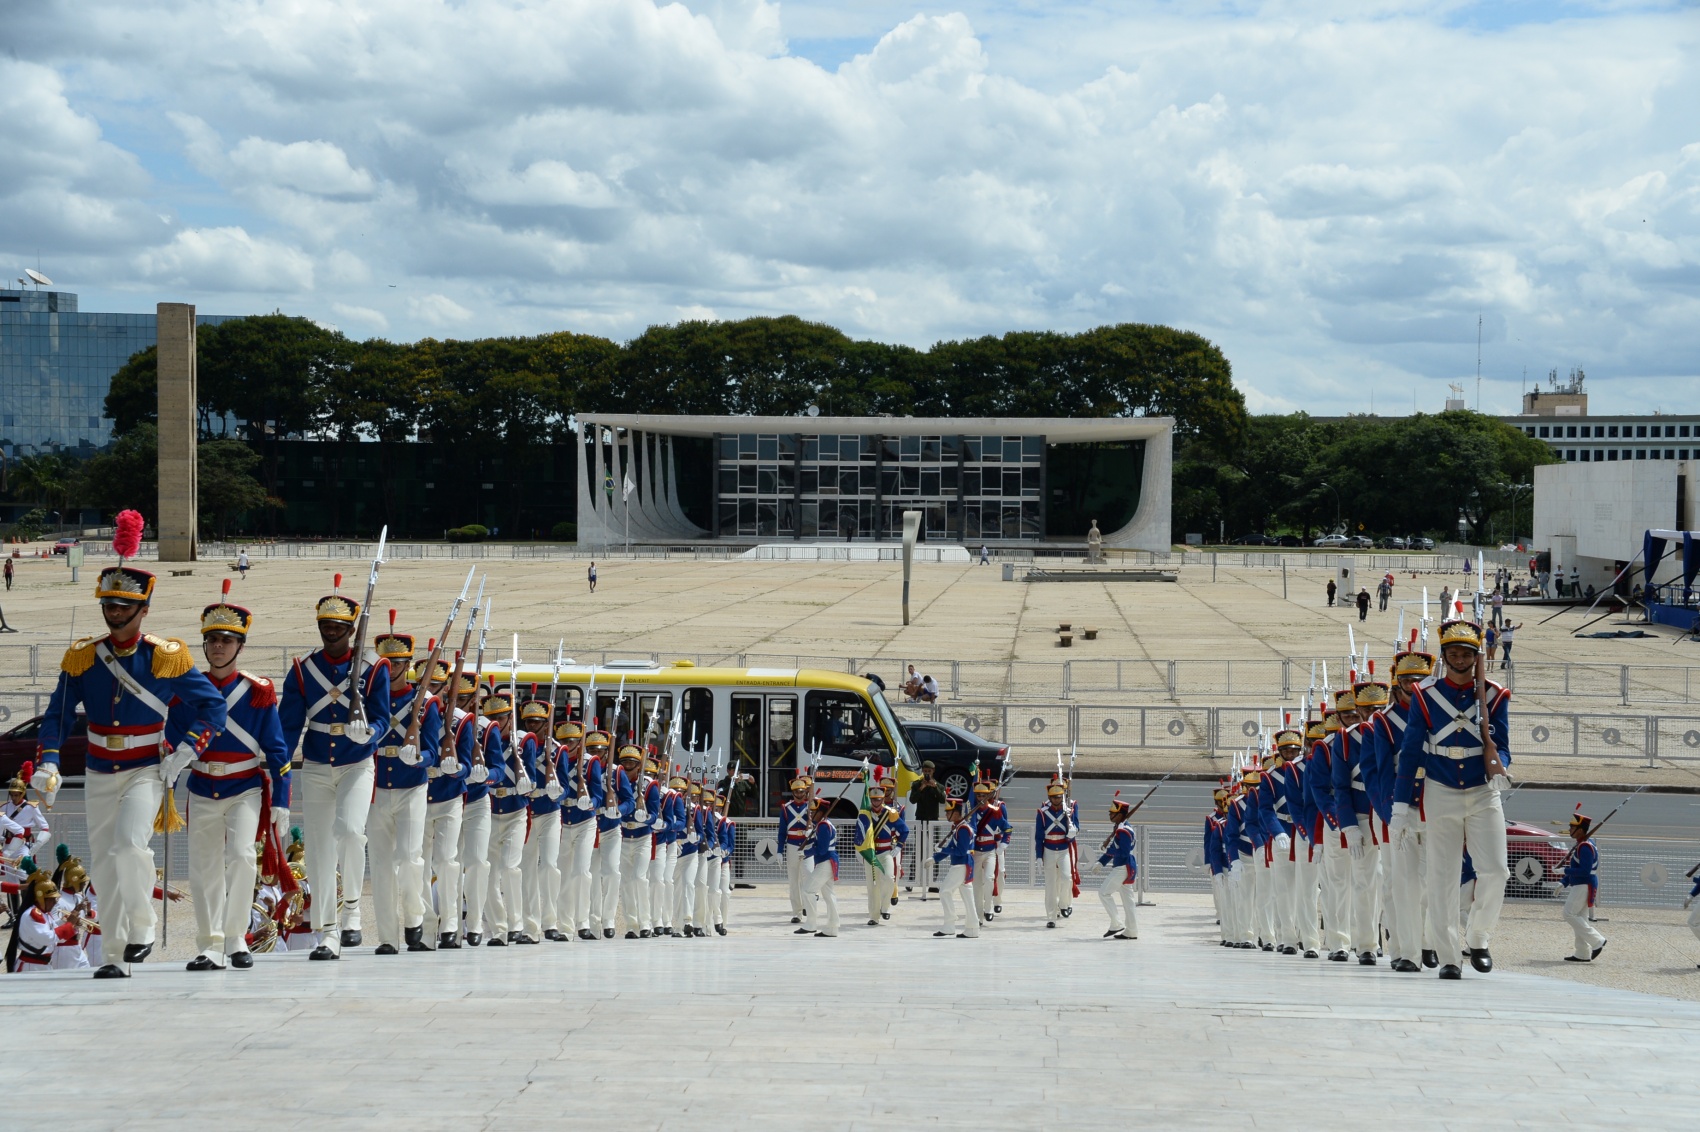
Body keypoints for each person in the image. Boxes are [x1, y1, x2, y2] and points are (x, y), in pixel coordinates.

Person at [36, 563, 226, 977]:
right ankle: (114, 955)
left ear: (144, 610)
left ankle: (143, 927)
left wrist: (189, 750)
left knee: (128, 845)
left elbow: (214, 706)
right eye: (110, 604)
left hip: (147, 767)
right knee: (103, 862)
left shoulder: (164, 656)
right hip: (99, 767)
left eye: (125, 606)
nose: (115, 612)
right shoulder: (84, 655)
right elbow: (58, 714)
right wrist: (49, 756)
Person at [174, 585, 292, 971]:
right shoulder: (188, 691)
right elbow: (172, 740)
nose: (219, 647)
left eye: (227, 640)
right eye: (212, 640)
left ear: (240, 646)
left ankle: (236, 936)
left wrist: (282, 800)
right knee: (203, 865)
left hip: (244, 786)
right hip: (203, 785)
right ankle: (209, 942)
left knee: (242, 856)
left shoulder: (257, 692)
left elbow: (276, 750)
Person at [1390, 618, 1512, 980]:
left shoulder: (1494, 695)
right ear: (1444, 655)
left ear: (1477, 657)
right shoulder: (1426, 697)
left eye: (1467, 654)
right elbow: (1411, 752)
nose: (1460, 659)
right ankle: (1448, 957)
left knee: (1496, 871)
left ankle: (1478, 936)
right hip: (1440, 789)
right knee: (1442, 879)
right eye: (1454, 653)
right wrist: (1400, 805)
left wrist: (1500, 767)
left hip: (1481, 789)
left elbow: (1502, 744)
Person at [279, 580, 389, 960]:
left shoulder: (374, 669)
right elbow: (289, 724)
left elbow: (384, 719)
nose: (331, 633)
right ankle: (327, 931)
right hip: (315, 764)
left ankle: (354, 909)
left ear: (352, 629)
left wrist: (370, 732)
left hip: (356, 761)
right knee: (320, 850)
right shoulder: (302, 668)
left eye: (339, 628)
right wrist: (278, 767)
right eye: (326, 626)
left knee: (350, 831)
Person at [367, 625, 441, 956]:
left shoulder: (425, 702)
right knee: (381, 867)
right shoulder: (368, 700)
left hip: (412, 787)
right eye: (386, 662)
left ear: (407, 665)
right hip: (375, 787)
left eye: (397, 663)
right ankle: (386, 936)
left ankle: (415, 919)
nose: (391, 669)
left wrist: (420, 757)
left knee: (411, 860)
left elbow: (435, 751)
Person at [421, 668, 474, 948]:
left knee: (446, 860)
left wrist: (457, 769)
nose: (430, 690)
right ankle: (426, 925)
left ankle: (451, 924)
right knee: (417, 862)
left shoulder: (461, 721)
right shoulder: (413, 713)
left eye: (436, 685)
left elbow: (468, 764)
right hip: (418, 795)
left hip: (450, 796)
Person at [483, 692, 534, 946]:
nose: (496, 722)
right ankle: (498, 928)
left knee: (511, 868)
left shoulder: (525, 742)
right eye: (491, 717)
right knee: (489, 873)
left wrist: (524, 777)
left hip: (515, 811)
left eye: (500, 717)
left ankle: (516, 924)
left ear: (509, 718)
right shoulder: (482, 737)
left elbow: (533, 780)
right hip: (490, 810)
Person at [520, 702, 565, 943]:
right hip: (527, 811)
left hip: (549, 811)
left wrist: (558, 790)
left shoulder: (557, 751)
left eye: (537, 722)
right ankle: (530, 926)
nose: (532, 726)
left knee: (548, 866)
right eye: (528, 722)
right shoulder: (519, 746)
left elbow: (566, 786)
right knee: (527, 869)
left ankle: (550, 922)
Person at [560, 726, 605, 940]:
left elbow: (598, 795)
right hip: (562, 820)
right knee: (563, 874)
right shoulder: (557, 756)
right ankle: (565, 926)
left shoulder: (590, 762)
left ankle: (583, 922)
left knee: (581, 872)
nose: (567, 745)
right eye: (564, 740)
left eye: (571, 741)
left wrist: (590, 803)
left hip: (585, 821)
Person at [617, 745, 661, 939]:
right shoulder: (617, 781)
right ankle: (631, 925)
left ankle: (645, 923)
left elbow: (655, 815)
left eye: (631, 763)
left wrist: (646, 818)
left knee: (639, 878)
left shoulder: (649, 785)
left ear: (638, 765)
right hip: (624, 836)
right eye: (624, 762)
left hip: (643, 837)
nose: (627, 766)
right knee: (626, 882)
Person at [1559, 810, 1607, 962]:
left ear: (1580, 829)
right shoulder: (1582, 844)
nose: (1570, 830)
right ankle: (1582, 952)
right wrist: (1564, 881)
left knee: (1569, 914)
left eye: (1572, 827)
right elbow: (1579, 867)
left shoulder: (1585, 846)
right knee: (1580, 918)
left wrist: (1564, 870)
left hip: (1583, 885)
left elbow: (1585, 871)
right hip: (1581, 884)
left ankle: (1597, 940)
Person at [931, 799, 979, 938]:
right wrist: (935, 858)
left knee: (945, 891)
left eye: (948, 812)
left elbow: (960, 851)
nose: (946, 815)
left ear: (956, 813)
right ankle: (973, 927)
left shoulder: (963, 829)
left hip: (961, 865)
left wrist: (942, 849)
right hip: (963, 864)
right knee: (968, 897)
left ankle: (949, 924)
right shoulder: (959, 827)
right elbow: (951, 848)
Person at [1035, 780, 1077, 928]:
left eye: (1059, 797)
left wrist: (1073, 830)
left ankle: (1064, 904)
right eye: (1054, 797)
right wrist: (1039, 856)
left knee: (1067, 878)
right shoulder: (1042, 813)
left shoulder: (1069, 811)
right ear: (1049, 797)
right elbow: (1039, 836)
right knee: (1050, 886)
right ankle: (1051, 917)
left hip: (1063, 848)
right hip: (1049, 849)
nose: (1056, 800)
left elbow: (1077, 826)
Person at [1098, 798, 1139, 940]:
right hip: (1126, 866)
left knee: (1104, 893)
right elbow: (1115, 849)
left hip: (1123, 867)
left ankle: (1116, 923)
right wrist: (1101, 862)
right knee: (1128, 901)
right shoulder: (1120, 828)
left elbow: (1123, 852)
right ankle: (1131, 931)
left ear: (1121, 814)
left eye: (1113, 813)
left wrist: (1106, 853)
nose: (1110, 815)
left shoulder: (1123, 831)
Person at [969, 781, 1009, 922]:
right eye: (978, 795)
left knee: (990, 878)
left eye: (984, 795)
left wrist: (1004, 843)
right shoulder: (971, 811)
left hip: (991, 850)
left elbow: (1007, 827)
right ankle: (979, 915)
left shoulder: (995, 810)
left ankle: (989, 906)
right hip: (976, 852)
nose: (981, 798)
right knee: (977, 884)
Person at [798, 796, 839, 937]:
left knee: (808, 890)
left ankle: (811, 923)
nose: (810, 814)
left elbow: (822, 849)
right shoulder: (824, 825)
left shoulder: (823, 826)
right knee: (828, 895)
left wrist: (806, 851)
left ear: (821, 812)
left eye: (813, 812)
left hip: (826, 861)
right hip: (827, 861)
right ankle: (833, 927)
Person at [908, 762, 948, 894]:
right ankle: (911, 879)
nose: (927, 773)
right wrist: (921, 787)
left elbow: (943, 800)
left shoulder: (939, 785)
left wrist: (934, 786)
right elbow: (912, 800)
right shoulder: (916, 784)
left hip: (933, 822)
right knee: (918, 850)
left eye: (929, 771)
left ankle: (933, 882)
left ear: (933, 771)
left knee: (934, 851)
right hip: (920, 820)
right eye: (925, 771)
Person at [780, 774, 814, 923]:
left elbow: (819, 824)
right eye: (797, 792)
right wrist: (779, 851)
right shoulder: (786, 808)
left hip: (807, 845)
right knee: (793, 881)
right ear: (793, 792)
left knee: (808, 875)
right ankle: (797, 912)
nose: (799, 794)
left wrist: (811, 831)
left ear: (805, 792)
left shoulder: (812, 806)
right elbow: (782, 831)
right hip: (792, 845)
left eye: (802, 791)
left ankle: (809, 906)